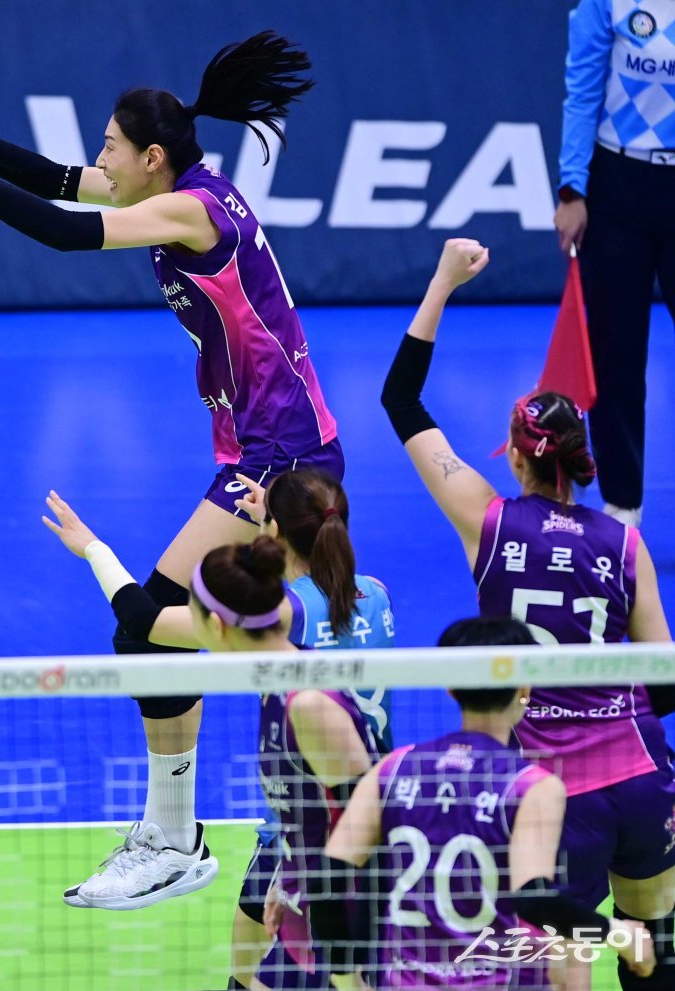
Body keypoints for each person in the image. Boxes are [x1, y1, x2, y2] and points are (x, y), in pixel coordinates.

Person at [0, 33, 342, 906]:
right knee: (163, 632)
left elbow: (65, 232)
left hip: (285, 458)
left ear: (152, 158)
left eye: (110, 146)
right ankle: (178, 832)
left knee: (158, 628)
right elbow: (60, 182)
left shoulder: (192, 212)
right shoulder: (172, 187)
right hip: (265, 446)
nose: (99, 160)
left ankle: (189, 835)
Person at [380, 238, 675, 989]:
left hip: (553, 794)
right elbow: (665, 683)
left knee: (560, 963)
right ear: (578, 457)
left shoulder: (487, 521)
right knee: (653, 944)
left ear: (515, 458)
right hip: (641, 776)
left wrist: (443, 282)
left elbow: (401, 400)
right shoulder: (626, 544)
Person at [45, 468, 393, 983]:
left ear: (274, 534)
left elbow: (144, 625)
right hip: (325, 824)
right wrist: (274, 516)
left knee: (305, 977)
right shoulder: (377, 595)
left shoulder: (284, 617)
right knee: (247, 972)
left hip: (324, 842)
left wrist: (93, 548)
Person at [314, 616, 655, 990]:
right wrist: (619, 933)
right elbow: (534, 900)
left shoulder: (391, 769)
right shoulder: (532, 787)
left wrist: (346, 978)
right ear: (525, 687)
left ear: (450, 688)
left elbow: (329, 874)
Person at [553, 0, 675, 529]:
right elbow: (582, 90)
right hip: (617, 188)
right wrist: (572, 189)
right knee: (615, 353)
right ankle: (623, 504)